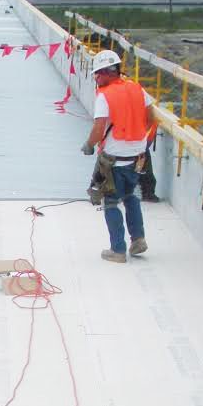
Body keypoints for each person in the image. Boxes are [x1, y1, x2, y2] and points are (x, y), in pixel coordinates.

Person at [82, 49, 159, 263]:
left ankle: (118, 250)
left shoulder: (105, 96)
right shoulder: (136, 88)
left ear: (108, 72)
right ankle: (138, 239)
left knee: (111, 202)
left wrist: (89, 145)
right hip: (137, 157)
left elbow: (99, 129)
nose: (96, 78)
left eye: (98, 74)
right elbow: (151, 117)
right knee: (131, 196)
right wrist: (141, 139)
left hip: (114, 158)